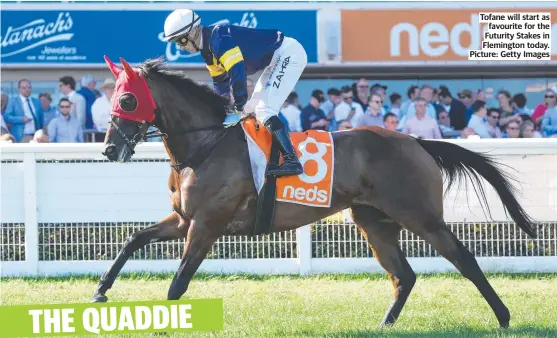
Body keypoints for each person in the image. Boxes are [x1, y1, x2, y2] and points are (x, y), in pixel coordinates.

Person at [162, 9, 305, 177]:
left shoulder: (219, 39)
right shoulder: (207, 52)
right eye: (177, 43)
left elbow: (237, 73)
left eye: (181, 40)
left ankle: (292, 160)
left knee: (265, 110)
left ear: (193, 32)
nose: (181, 47)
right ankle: (268, 158)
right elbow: (220, 84)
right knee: (250, 111)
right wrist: (222, 111)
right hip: (275, 61)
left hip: (288, 54)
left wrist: (237, 105)